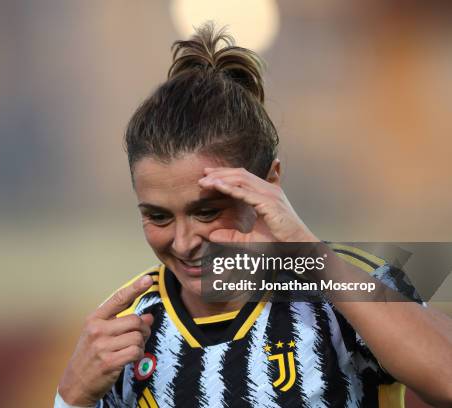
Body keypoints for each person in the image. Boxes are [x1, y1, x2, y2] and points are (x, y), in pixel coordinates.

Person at [55, 23, 452, 407]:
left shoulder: (344, 283)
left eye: (207, 211)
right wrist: (70, 398)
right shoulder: (128, 329)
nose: (183, 241)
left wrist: (308, 255)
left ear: (269, 182)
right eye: (158, 217)